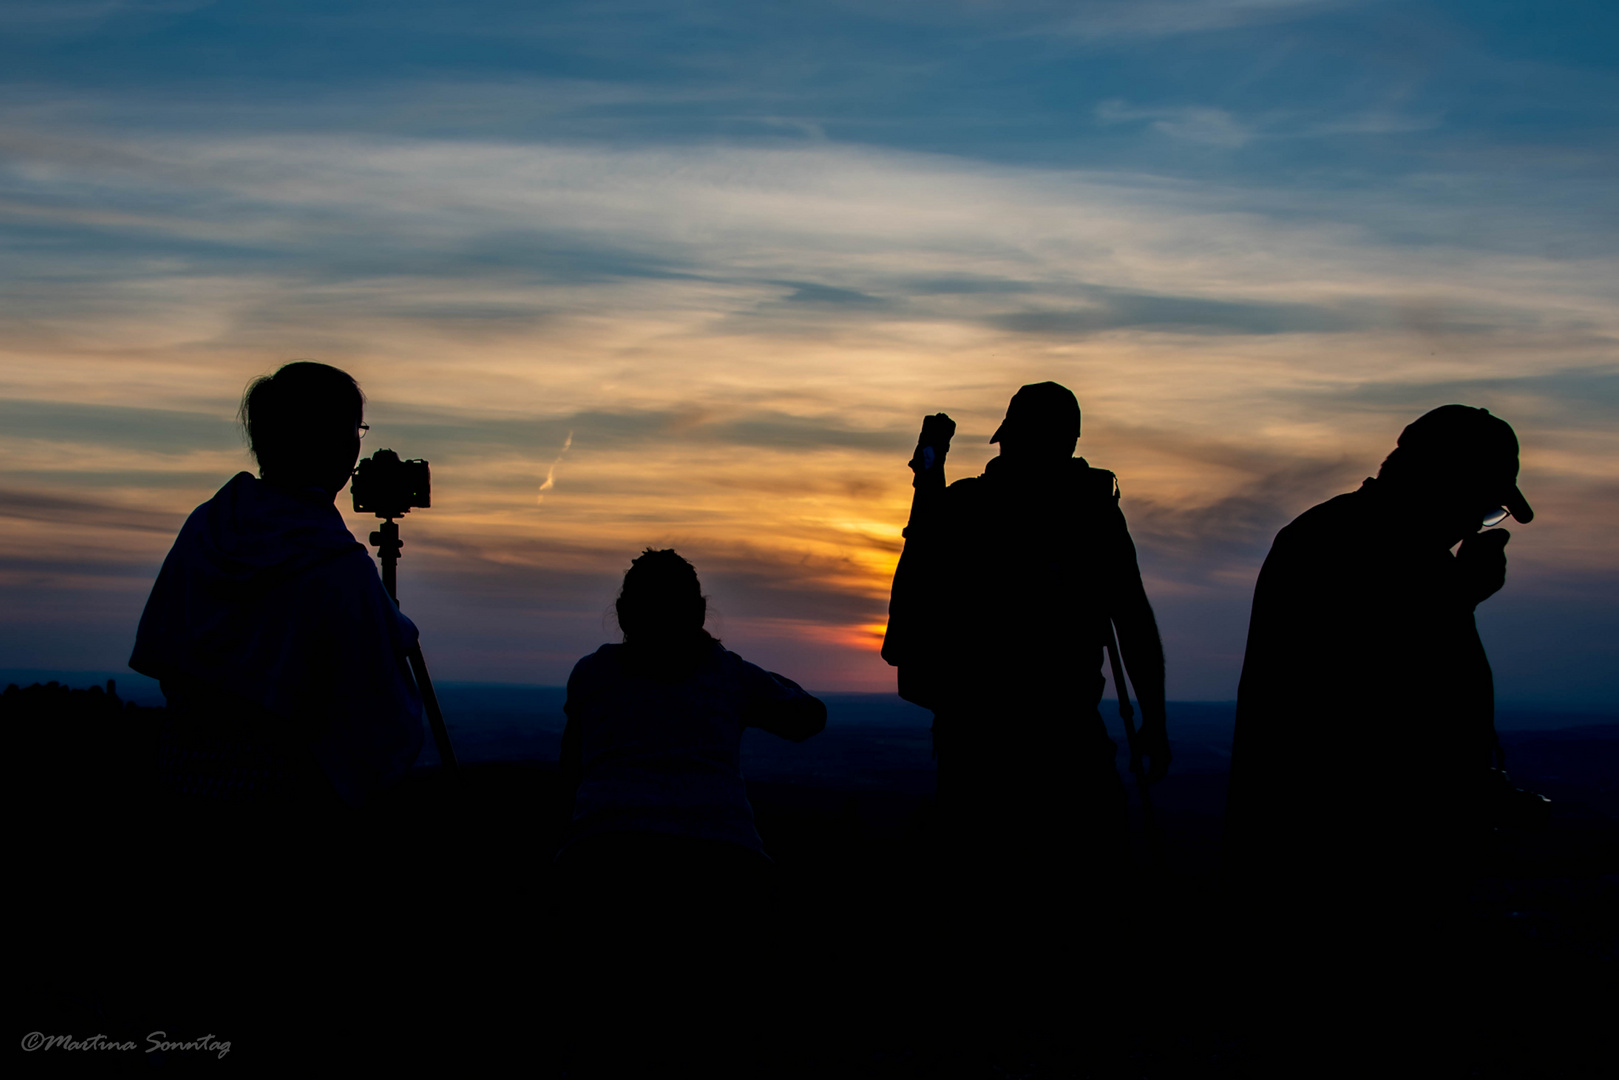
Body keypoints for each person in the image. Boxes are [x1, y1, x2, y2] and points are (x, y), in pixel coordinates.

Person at [880, 382, 1170, 1063]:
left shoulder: (967, 508)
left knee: (987, 900)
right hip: (1056, 734)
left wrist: (928, 484)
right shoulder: (1087, 510)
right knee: (1078, 896)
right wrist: (1152, 722)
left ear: (1009, 438)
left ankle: (996, 1029)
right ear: (1067, 441)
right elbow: (1130, 618)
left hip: (982, 737)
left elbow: (912, 613)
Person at [1225, 404, 1538, 892]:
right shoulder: (1342, 545)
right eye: (1483, 506)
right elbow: (1365, 692)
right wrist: (1459, 596)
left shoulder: (1397, 551)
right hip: (1342, 861)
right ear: (1443, 481)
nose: (1475, 526)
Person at [555, 548, 826, 1072]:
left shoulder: (591, 672)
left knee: (603, 1033)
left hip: (602, 862)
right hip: (723, 866)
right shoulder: (730, 674)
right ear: (699, 613)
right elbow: (807, 717)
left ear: (624, 612)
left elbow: (572, 774)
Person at [130, 361, 423, 809]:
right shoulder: (333, 563)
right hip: (284, 796)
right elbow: (375, 718)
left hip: (180, 780)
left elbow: (166, 655)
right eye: (353, 431)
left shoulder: (206, 528)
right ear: (332, 443)